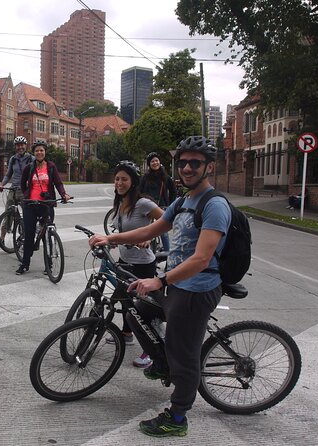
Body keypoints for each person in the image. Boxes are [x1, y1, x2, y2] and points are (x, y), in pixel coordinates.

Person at [89, 135, 230, 438]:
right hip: (177, 283)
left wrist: (160, 280)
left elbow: (203, 258)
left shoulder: (214, 204)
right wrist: (110, 239)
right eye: (183, 162)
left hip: (197, 289)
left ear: (210, 166)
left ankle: (177, 417)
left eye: (195, 162)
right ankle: (162, 361)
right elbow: (152, 229)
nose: (188, 168)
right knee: (137, 311)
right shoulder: (183, 201)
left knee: (185, 353)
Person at [106, 161, 164, 368]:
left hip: (143, 264)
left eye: (124, 179)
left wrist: (150, 237)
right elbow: (121, 231)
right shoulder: (121, 203)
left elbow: (166, 220)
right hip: (125, 261)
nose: (119, 183)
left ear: (133, 182)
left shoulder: (143, 204)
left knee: (144, 310)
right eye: (117, 179)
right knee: (125, 301)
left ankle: (153, 349)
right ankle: (126, 333)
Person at [16, 141, 71, 275]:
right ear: (34, 153)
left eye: (41, 150)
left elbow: (58, 183)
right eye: (37, 151)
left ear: (45, 152)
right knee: (29, 234)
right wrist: (27, 196)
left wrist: (63, 194)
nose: (39, 153)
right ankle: (25, 263)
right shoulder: (29, 167)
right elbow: (23, 184)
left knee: (48, 235)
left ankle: (49, 265)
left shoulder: (51, 167)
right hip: (30, 204)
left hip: (46, 204)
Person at [0, 135, 34, 248]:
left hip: (25, 191)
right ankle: (1, 240)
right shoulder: (13, 159)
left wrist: (29, 184)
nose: (20, 147)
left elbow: (36, 175)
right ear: (15, 146)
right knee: (8, 214)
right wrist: (1, 185)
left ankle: (25, 238)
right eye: (18, 145)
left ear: (25, 145)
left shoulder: (31, 159)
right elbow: (8, 174)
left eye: (22, 145)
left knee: (26, 216)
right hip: (13, 190)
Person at [139, 151, 177, 251]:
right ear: (149, 164)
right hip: (148, 209)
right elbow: (139, 191)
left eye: (156, 161)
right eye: (152, 161)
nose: (155, 163)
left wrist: (170, 204)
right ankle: (148, 254)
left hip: (162, 207)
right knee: (147, 232)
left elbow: (173, 191)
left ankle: (167, 255)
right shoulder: (145, 178)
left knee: (163, 233)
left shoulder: (165, 177)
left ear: (159, 162)